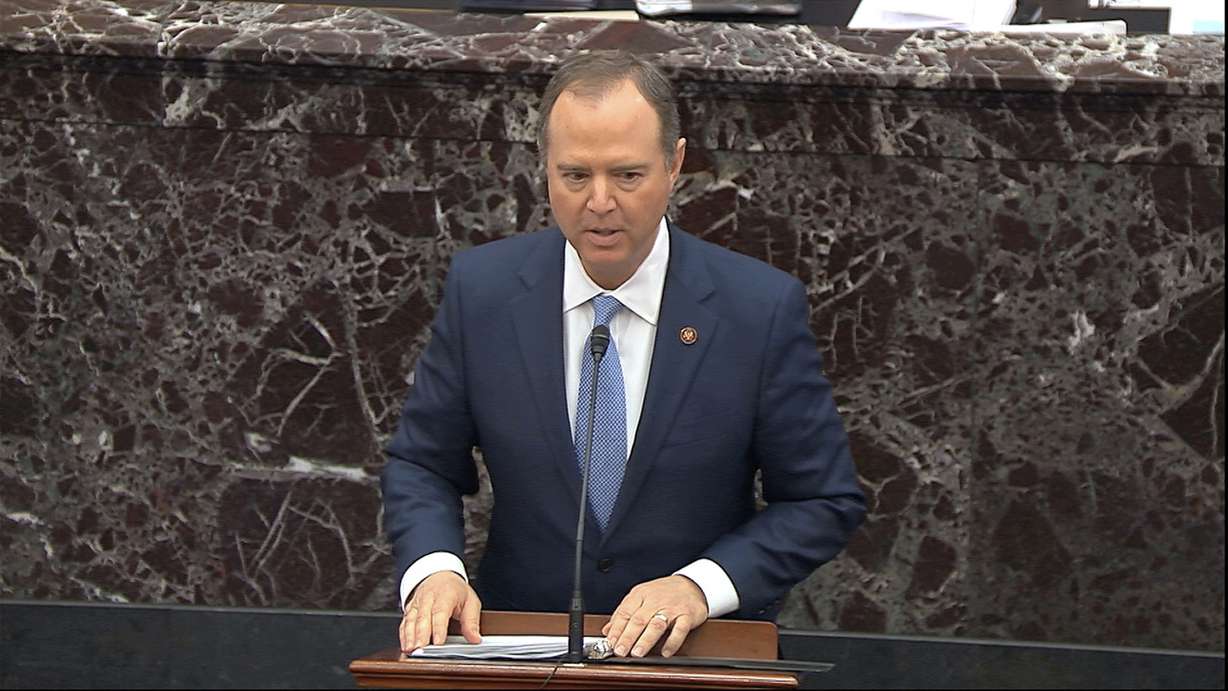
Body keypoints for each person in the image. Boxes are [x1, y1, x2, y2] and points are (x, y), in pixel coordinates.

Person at [382, 50, 865, 660]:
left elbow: (822, 500)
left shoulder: (757, 309)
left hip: (695, 652)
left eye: (628, 176)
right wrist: (435, 568)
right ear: (544, 170)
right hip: (518, 648)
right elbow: (421, 464)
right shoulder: (484, 293)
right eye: (575, 176)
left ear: (675, 165)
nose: (600, 202)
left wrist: (701, 586)